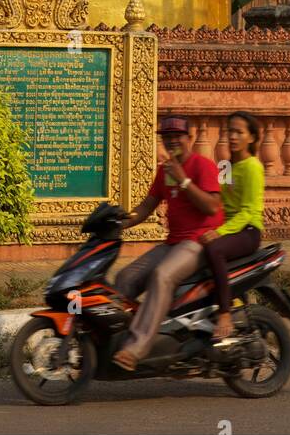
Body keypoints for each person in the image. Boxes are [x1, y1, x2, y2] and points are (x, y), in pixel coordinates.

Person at [112, 117, 222, 370]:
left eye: (177, 136)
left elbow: (211, 206)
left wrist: (184, 180)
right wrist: (120, 223)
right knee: (126, 277)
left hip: (198, 241)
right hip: (173, 243)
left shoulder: (202, 166)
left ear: (189, 139)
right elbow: (147, 206)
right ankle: (119, 338)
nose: (172, 141)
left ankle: (137, 348)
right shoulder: (165, 171)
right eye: (166, 136)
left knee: (162, 276)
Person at [199, 111, 265, 347]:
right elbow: (221, 204)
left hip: (248, 231)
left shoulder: (252, 167)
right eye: (230, 131)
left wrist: (220, 232)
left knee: (214, 250)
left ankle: (225, 312)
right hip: (229, 227)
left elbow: (248, 210)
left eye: (239, 132)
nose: (233, 136)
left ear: (252, 137)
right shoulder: (226, 166)